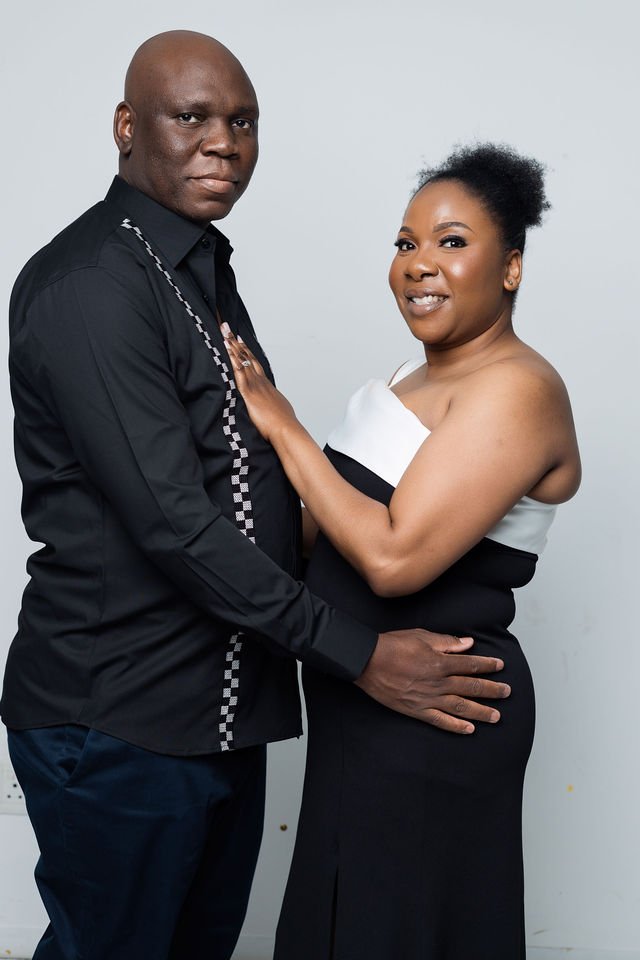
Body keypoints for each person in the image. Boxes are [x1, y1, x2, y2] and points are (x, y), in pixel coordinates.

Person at [0, 32, 511, 960]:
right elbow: (177, 525)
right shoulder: (91, 285)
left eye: (243, 123)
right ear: (126, 126)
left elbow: (245, 480)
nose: (223, 143)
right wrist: (361, 654)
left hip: (221, 719)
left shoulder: (196, 269)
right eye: (191, 117)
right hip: (117, 721)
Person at [223, 142, 581, 959]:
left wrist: (281, 425)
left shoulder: (518, 387)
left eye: (452, 242)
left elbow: (391, 559)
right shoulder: (404, 383)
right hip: (360, 700)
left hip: (437, 714)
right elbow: (321, 532)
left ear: (512, 267)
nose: (419, 263)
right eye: (405, 243)